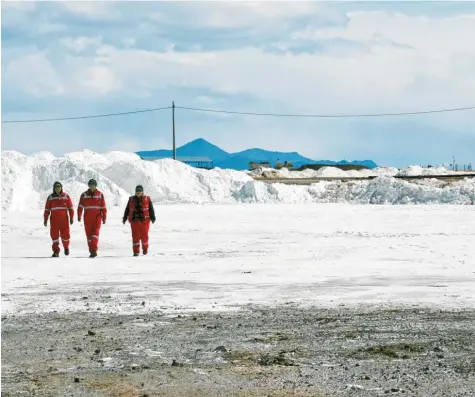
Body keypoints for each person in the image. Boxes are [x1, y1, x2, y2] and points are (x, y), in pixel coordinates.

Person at [122, 185, 156, 256]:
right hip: (134, 222)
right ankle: (136, 252)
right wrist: (125, 217)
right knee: (135, 237)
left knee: (144, 236)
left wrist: (153, 217)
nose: (138, 192)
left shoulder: (147, 199)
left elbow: (151, 209)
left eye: (140, 191)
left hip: (145, 222)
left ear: (142, 192)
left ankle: (145, 249)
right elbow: (127, 209)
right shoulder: (131, 199)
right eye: (137, 191)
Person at [44, 181, 74, 257]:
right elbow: (47, 210)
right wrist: (45, 219)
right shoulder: (50, 198)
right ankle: (56, 252)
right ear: (54, 188)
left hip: (64, 222)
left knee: (66, 236)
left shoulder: (66, 196)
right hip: (54, 222)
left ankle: (66, 247)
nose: (58, 188)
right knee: (54, 237)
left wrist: (71, 218)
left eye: (59, 187)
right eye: (56, 187)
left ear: (61, 188)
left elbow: (70, 208)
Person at [77, 179, 107, 258]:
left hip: (97, 217)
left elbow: (103, 207)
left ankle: (94, 250)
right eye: (90, 185)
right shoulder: (84, 195)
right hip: (87, 218)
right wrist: (79, 215)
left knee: (95, 233)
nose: (92, 187)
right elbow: (80, 206)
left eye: (93, 185)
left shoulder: (100, 195)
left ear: (95, 185)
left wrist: (104, 217)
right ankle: (92, 251)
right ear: (88, 186)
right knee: (89, 236)